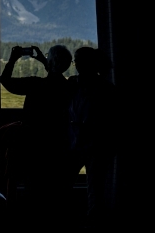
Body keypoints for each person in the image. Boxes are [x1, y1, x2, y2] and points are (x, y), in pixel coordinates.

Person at [0, 44, 73, 227]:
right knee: (52, 194)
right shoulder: (69, 87)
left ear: (50, 62)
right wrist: (45, 59)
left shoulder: (35, 84)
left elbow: (6, 80)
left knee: (29, 189)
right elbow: (56, 75)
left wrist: (13, 59)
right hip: (57, 148)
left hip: (31, 147)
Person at [67, 47, 116, 229]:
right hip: (90, 143)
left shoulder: (75, 85)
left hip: (90, 143)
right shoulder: (104, 87)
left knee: (92, 189)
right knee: (95, 188)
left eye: (78, 61)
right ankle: (93, 224)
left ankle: (87, 222)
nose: (77, 64)